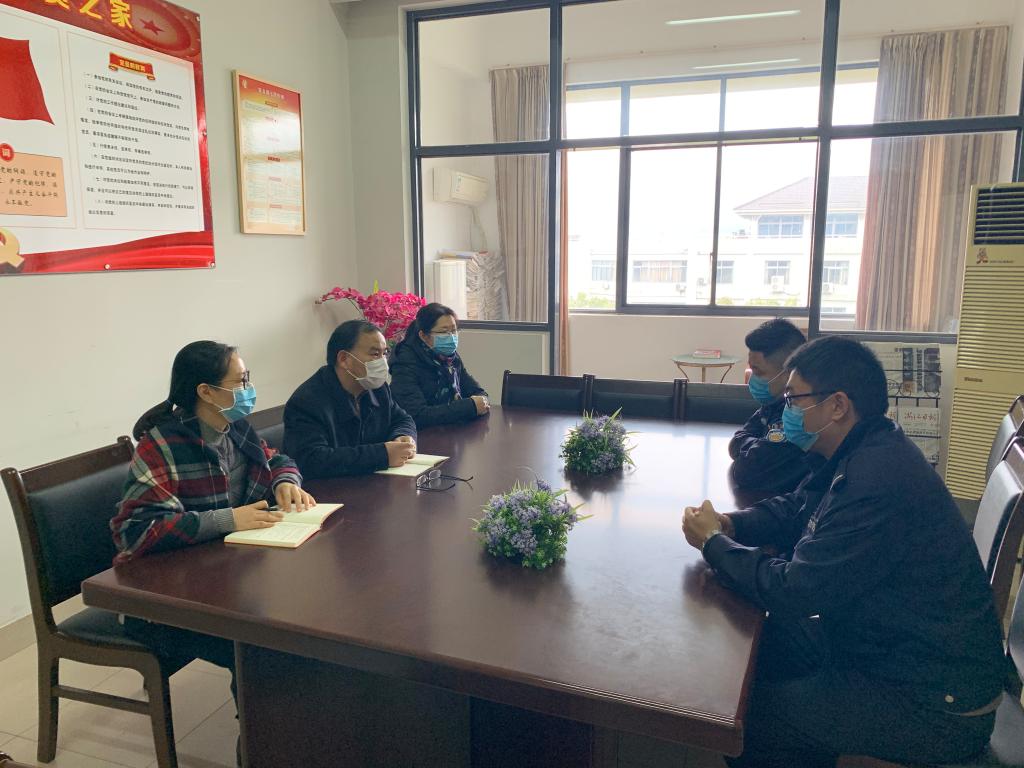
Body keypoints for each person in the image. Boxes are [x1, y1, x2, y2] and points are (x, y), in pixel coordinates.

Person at [681, 336, 1005, 768]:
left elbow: (794, 590)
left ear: (837, 405)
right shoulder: (862, 447)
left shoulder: (876, 480)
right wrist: (732, 524)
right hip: (877, 646)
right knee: (757, 648)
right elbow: (797, 506)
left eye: (794, 399)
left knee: (748, 720)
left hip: (934, 701)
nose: (786, 409)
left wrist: (713, 544)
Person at [111, 341, 315, 739]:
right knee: (265, 647)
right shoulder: (162, 446)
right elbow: (134, 531)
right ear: (205, 391)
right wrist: (229, 519)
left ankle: (297, 730)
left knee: (301, 623)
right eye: (240, 381)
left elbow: (276, 459)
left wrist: (285, 481)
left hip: (227, 575)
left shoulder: (234, 428)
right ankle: (262, 746)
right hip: (166, 601)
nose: (248, 390)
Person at [283, 320, 417, 478]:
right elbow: (312, 460)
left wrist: (402, 435)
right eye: (375, 354)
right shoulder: (307, 401)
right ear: (344, 359)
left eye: (385, 353)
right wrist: (382, 455)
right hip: (329, 489)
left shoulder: (378, 388)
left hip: (371, 482)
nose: (383, 361)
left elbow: (402, 419)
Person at [729, 319, 821, 497]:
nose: (753, 379)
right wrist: (757, 446)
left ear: (788, 372)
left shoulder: (800, 416)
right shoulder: (773, 405)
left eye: (759, 372)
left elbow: (746, 470)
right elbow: (737, 440)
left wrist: (753, 449)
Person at [390, 302, 489, 428]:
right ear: (423, 336)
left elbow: (477, 391)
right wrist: (470, 406)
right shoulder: (405, 362)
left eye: (454, 330)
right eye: (444, 331)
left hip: (450, 430)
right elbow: (417, 415)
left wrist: (481, 401)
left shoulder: (450, 358)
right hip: (423, 435)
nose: (451, 337)